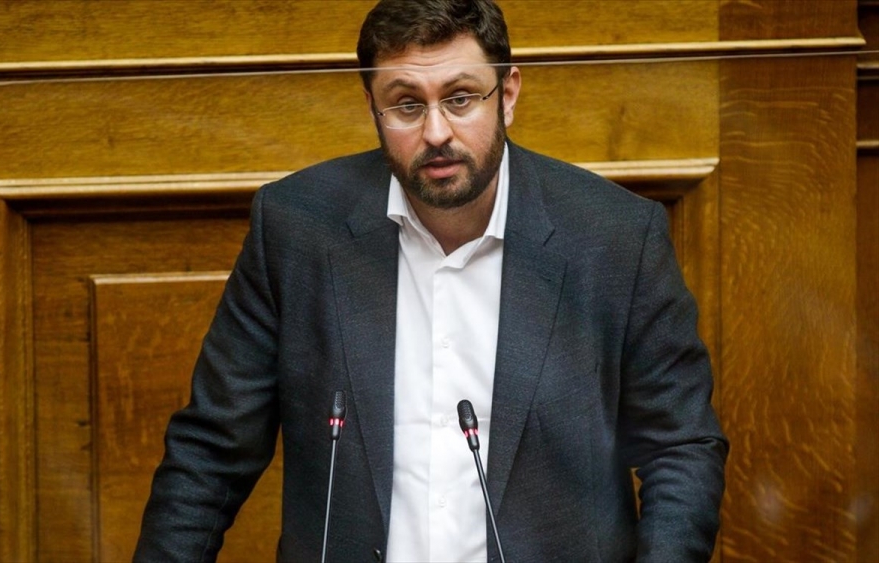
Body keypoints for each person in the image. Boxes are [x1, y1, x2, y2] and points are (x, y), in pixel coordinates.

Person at [134, 0, 728, 561]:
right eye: (407, 105)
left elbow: (681, 448)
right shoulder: (296, 230)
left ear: (507, 95)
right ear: (373, 106)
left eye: (461, 98)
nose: (437, 132)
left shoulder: (615, 238)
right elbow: (211, 453)